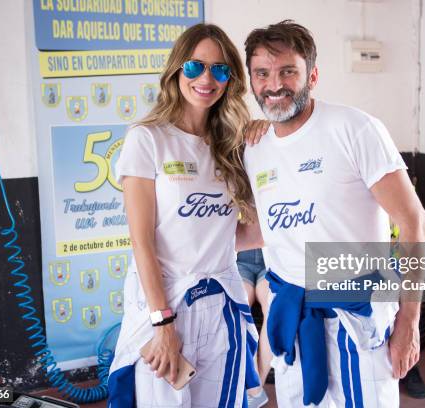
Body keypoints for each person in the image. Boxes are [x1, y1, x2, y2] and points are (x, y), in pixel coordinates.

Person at [243, 21, 425, 407]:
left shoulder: (354, 129)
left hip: (357, 316)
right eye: (262, 74)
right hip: (293, 315)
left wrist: (409, 322)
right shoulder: (255, 148)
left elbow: (414, 222)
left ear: (312, 74)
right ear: (251, 81)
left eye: (287, 71)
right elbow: (267, 230)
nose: (274, 85)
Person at [107, 24, 263, 408]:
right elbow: (142, 242)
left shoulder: (232, 145)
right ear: (177, 70)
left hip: (222, 307)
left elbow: (244, 235)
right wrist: (164, 323)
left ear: (231, 80)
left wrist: (266, 146)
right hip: (167, 307)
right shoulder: (147, 139)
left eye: (220, 69)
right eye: (195, 67)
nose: (206, 79)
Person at [236, 249, 272, 407]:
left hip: (272, 259)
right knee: (240, 307)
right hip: (238, 259)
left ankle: (256, 389)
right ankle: (255, 390)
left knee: (272, 307)